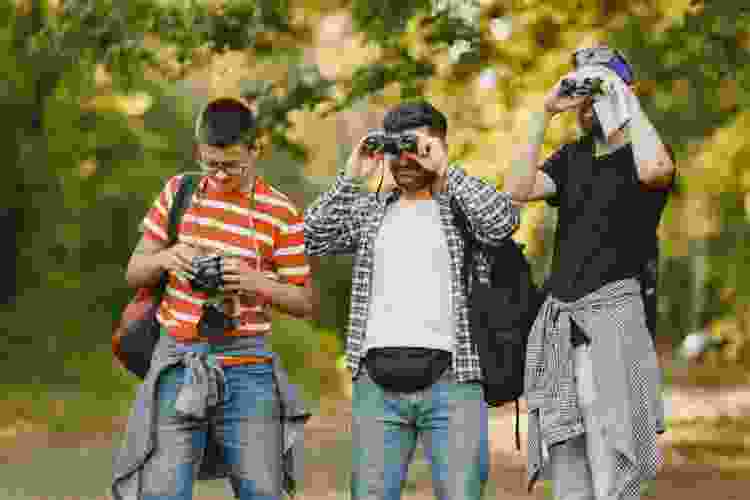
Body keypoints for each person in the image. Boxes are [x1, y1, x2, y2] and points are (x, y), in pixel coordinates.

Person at [304, 101, 521, 500]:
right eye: (395, 149)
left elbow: (503, 221)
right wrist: (352, 175)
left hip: (455, 383)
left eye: (415, 147)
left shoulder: (459, 209)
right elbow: (312, 236)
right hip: (375, 386)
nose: (403, 159)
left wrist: (444, 167)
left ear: (437, 146)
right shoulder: (372, 211)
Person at [112, 96, 315, 500]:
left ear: (256, 150)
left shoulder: (281, 212)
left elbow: (305, 302)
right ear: (199, 152)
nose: (220, 176)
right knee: (162, 492)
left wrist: (251, 281)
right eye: (211, 164)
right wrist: (170, 257)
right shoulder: (179, 192)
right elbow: (134, 271)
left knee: (262, 491)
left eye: (232, 165)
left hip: (248, 368)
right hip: (178, 364)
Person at [504, 46, 675, 500]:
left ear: (623, 91)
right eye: (583, 89)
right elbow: (517, 188)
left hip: (613, 328)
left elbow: (656, 169)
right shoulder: (572, 157)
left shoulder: (645, 153)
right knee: (569, 479)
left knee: (613, 470)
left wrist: (623, 99)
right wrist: (544, 111)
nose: (587, 101)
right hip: (562, 330)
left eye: (596, 88)